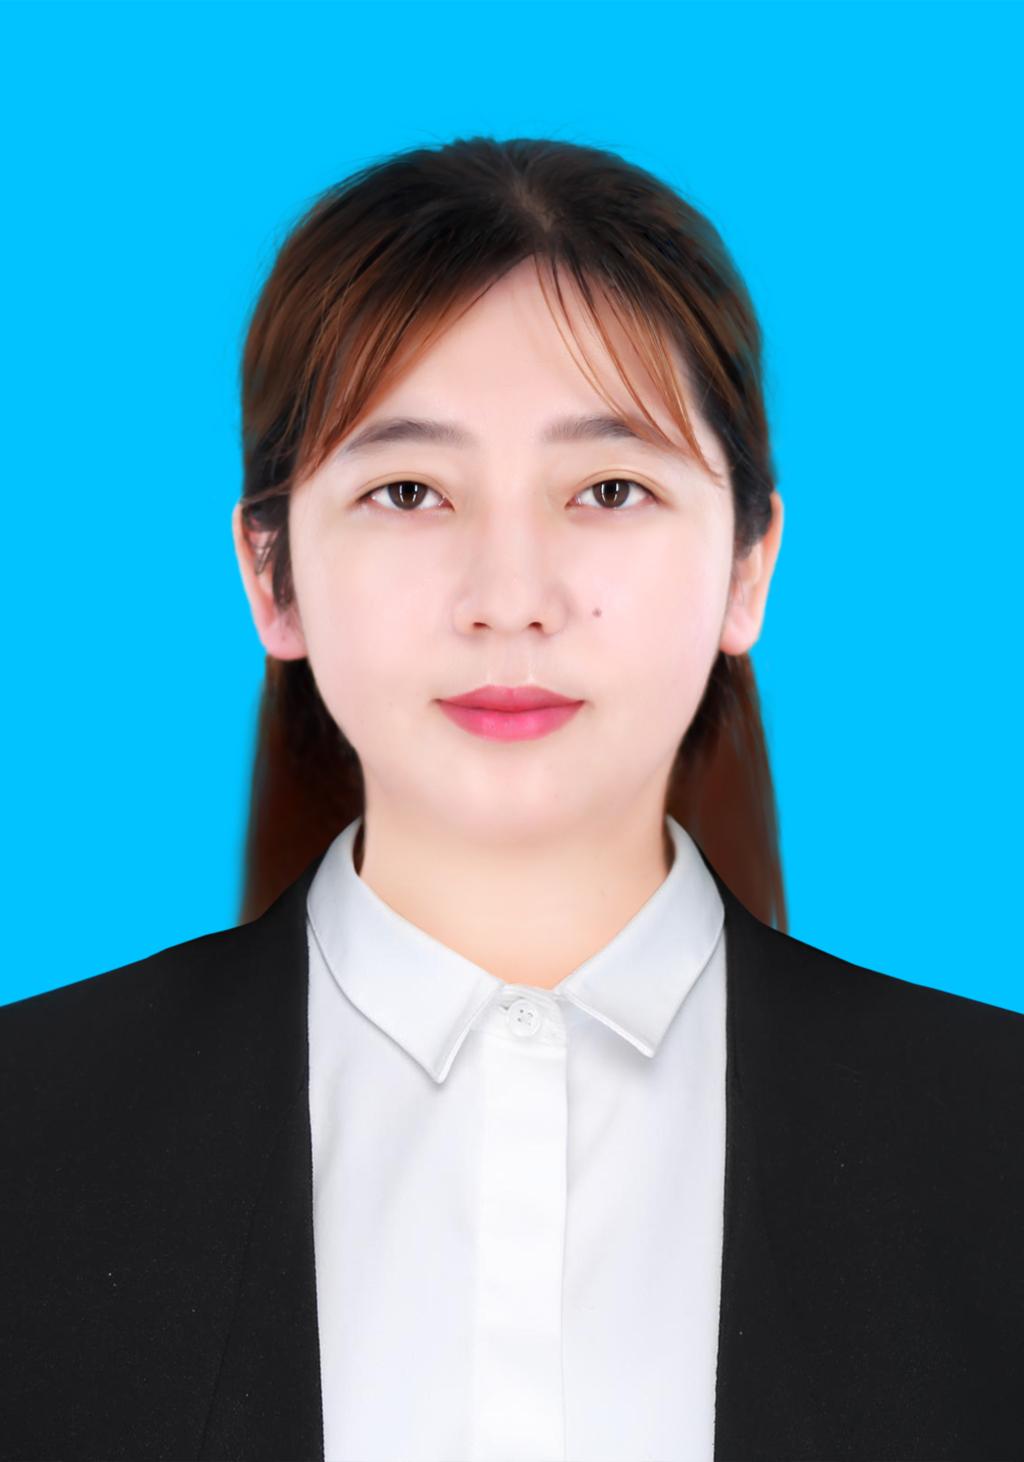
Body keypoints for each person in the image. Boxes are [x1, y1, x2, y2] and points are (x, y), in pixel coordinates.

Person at [0, 137, 1021, 1462]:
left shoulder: (994, 1148)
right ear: (271, 574)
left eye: (609, 489)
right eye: (408, 491)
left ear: (748, 566)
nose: (510, 596)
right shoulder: (29, 1137)